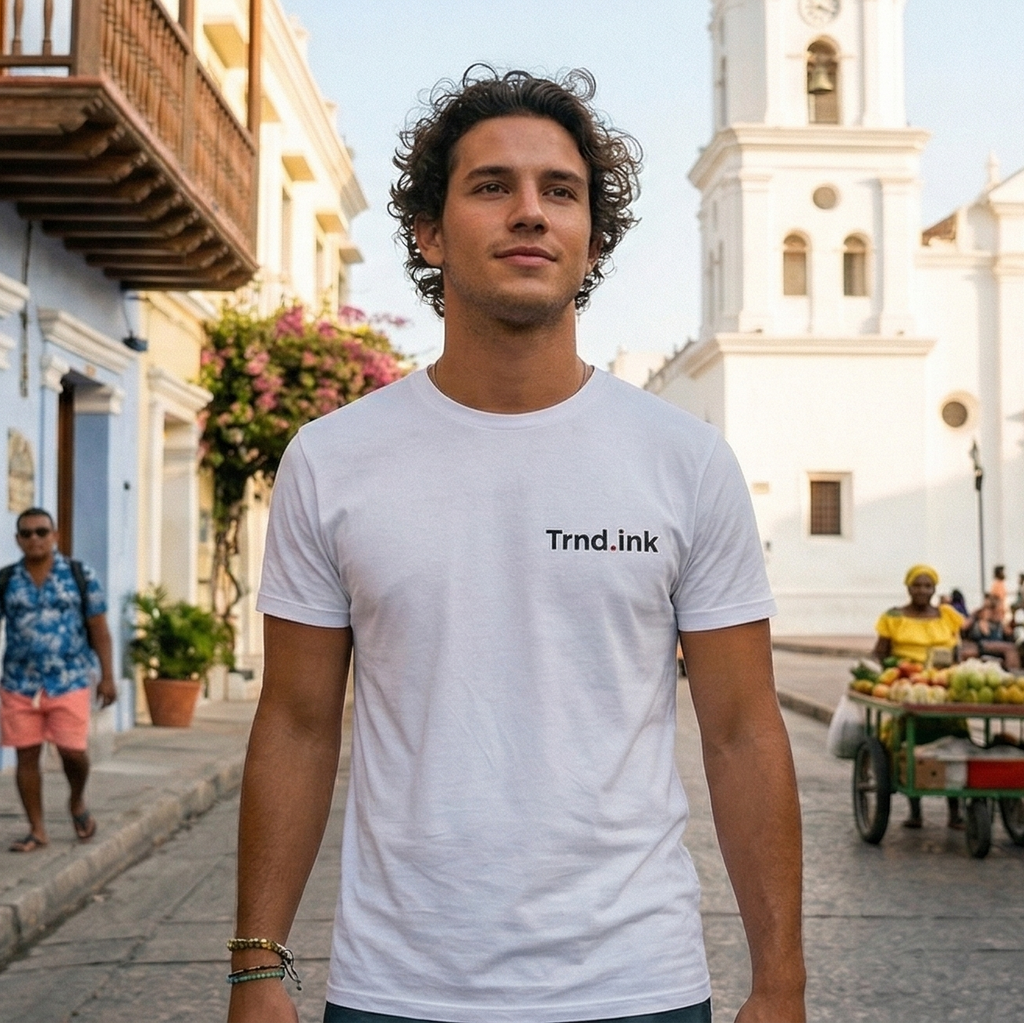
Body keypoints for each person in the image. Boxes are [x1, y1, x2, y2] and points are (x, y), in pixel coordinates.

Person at [228, 67, 805, 1023]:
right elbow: (294, 720)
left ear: (592, 236)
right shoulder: (333, 460)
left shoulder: (686, 462)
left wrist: (780, 983)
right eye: (492, 185)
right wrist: (256, 968)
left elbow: (743, 728)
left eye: (561, 191)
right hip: (399, 990)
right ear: (429, 231)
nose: (530, 212)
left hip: (639, 987)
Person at [0, 508, 116, 852]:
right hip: (19, 683)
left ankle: (76, 801)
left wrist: (107, 677)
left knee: (72, 751)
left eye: (41, 531)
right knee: (26, 756)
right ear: (18, 539)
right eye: (27, 533)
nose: (34, 538)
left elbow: (99, 628)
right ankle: (37, 830)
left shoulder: (79, 574)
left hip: (70, 679)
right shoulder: (7, 580)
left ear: (55, 535)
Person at [872, 565, 964, 830]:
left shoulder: (948, 616)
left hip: (943, 688)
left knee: (956, 738)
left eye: (928, 586)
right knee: (906, 742)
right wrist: (894, 671)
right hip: (906, 688)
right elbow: (879, 652)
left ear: (935, 589)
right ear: (908, 587)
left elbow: (957, 650)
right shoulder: (893, 617)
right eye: (917, 585)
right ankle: (915, 809)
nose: (922, 590)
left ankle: (955, 811)